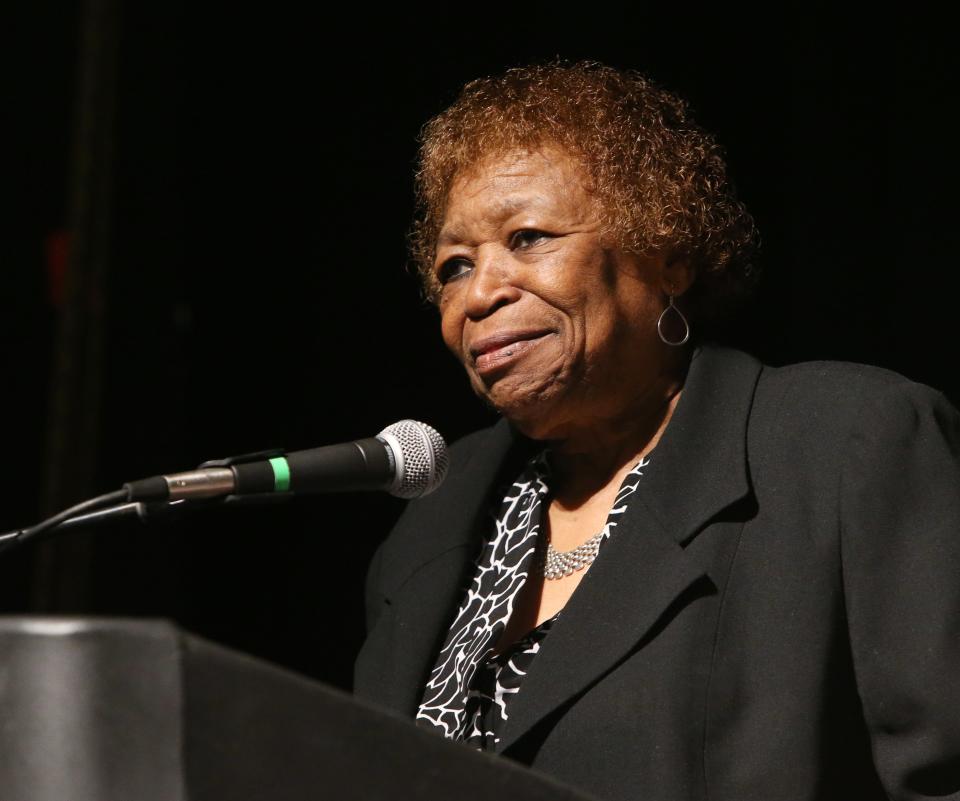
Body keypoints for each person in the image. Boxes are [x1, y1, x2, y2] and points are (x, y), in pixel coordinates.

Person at [354, 61, 960, 801]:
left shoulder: (845, 445)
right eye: (454, 265)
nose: (479, 293)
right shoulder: (431, 525)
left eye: (529, 236)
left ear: (667, 256)